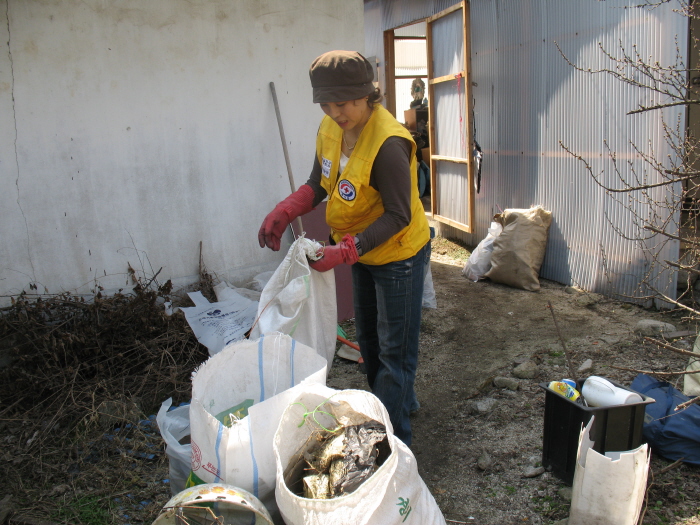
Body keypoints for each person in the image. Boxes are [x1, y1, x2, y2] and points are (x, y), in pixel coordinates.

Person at [258, 50, 430, 446]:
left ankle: (393, 443)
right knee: (369, 340)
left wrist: (346, 250)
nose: (336, 112)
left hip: (398, 253)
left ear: (367, 95)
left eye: (345, 103)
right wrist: (287, 209)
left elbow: (399, 215)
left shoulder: (388, 143)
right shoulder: (331, 128)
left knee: (394, 348)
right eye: (327, 103)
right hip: (362, 251)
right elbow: (319, 182)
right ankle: (397, 403)